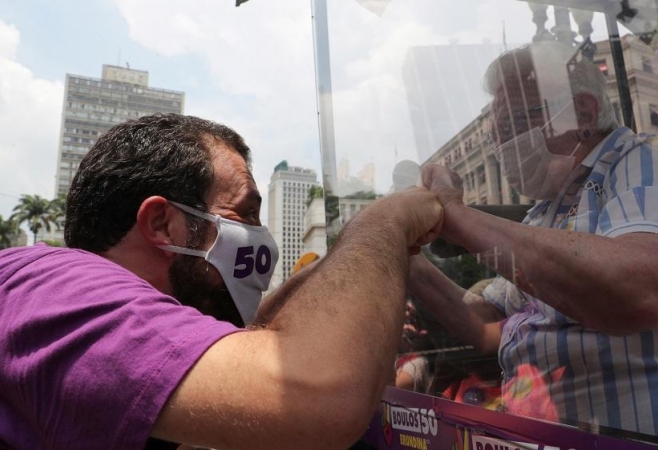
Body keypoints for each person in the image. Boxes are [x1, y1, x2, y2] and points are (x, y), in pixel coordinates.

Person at [409, 40, 658, 449]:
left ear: (582, 113)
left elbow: (640, 289)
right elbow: (486, 324)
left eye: (511, 128)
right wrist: (408, 255)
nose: (502, 148)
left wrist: (457, 215)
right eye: (496, 136)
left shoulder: (648, 160)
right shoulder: (545, 212)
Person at [0, 113, 443, 450]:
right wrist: (387, 219)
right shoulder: (56, 290)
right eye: (245, 212)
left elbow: (261, 344)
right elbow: (322, 397)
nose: (260, 238)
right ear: (163, 225)